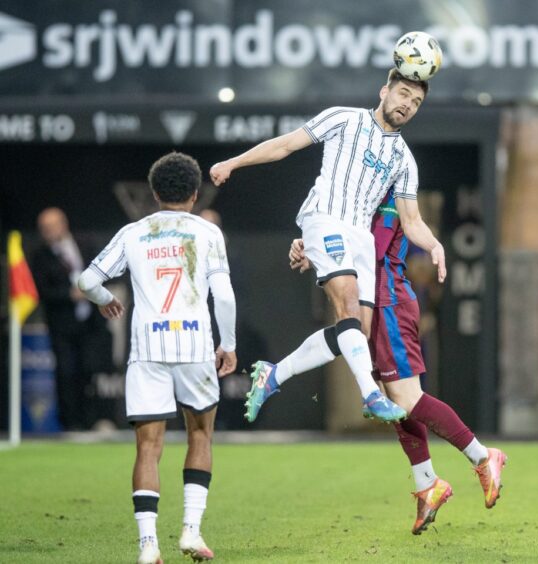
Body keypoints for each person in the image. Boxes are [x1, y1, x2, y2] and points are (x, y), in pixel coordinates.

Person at [250, 190, 506, 534]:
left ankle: (481, 455)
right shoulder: (356, 193)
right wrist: (313, 242)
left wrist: (321, 247)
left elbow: (374, 247)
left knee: (407, 399)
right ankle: (427, 482)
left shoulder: (387, 190)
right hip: (373, 302)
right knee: (392, 401)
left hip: (389, 303)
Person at [210, 68, 445, 423]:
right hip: (325, 219)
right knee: (348, 303)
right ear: (384, 91)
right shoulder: (344, 118)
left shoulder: (404, 160)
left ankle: (273, 375)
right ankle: (370, 394)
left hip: (360, 238)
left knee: (357, 331)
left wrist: (435, 245)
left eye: (416, 102)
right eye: (403, 95)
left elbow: (411, 221)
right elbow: (285, 145)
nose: (407, 105)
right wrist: (234, 162)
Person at [78, 152, 237, 563]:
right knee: (200, 435)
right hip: (194, 346)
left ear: (153, 193)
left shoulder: (134, 232)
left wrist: (106, 299)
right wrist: (229, 345)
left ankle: (148, 545)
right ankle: (190, 531)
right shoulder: (206, 232)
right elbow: (224, 295)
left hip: (147, 349)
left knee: (148, 448)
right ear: (196, 193)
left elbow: (87, 280)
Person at [30, 207, 113, 430]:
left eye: (52, 226)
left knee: (90, 370)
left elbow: (103, 272)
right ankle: (70, 422)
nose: (48, 232)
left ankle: (92, 420)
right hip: (62, 325)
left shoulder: (85, 244)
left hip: (91, 323)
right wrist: (70, 294)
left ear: (63, 224)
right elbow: (42, 291)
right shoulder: (39, 256)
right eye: (44, 229)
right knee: (66, 372)